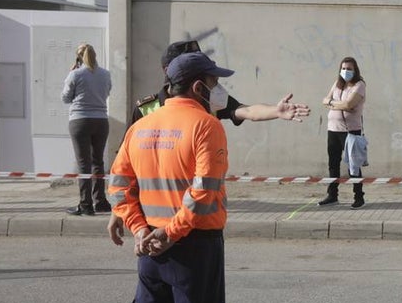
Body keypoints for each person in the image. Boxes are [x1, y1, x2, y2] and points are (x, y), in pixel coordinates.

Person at [108, 51, 242, 303]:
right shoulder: (205, 126)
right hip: (192, 249)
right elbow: (202, 195)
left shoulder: (142, 126)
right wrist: (168, 233)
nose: (218, 89)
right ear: (199, 87)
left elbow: (117, 185)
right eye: (213, 82)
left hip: (150, 251)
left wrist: (140, 228)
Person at [130, 39, 309, 127]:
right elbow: (125, 164)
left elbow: (247, 110)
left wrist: (275, 111)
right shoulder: (145, 111)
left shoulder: (209, 100)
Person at [61, 44, 112, 216]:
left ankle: (85, 205)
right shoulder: (105, 74)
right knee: (98, 161)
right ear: (95, 56)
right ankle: (101, 201)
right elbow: (107, 93)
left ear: (78, 58)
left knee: (84, 164)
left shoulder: (75, 74)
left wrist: (71, 73)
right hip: (101, 120)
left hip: (80, 120)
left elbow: (65, 98)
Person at [320, 57, 367, 208]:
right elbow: (325, 100)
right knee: (333, 164)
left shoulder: (359, 85)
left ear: (355, 70)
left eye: (349, 69)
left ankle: (359, 197)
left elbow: (349, 104)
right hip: (333, 130)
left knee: (354, 166)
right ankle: (332, 195)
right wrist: (337, 104)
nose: (346, 71)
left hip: (350, 131)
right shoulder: (337, 84)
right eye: (344, 68)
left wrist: (332, 104)